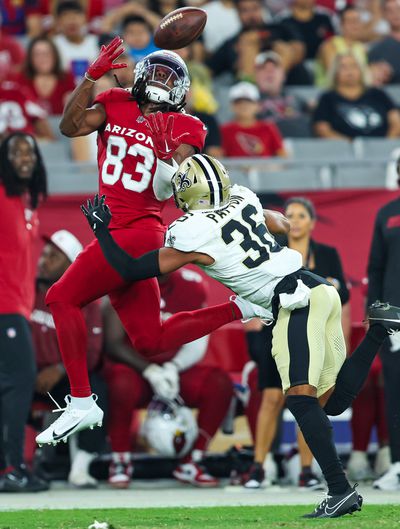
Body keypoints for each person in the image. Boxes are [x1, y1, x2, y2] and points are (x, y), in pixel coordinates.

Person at [84, 154, 400, 518]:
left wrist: (102, 233)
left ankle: (339, 490)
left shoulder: (191, 231)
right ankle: (377, 332)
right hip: (319, 290)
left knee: (299, 400)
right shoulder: (244, 198)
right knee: (328, 402)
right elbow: (280, 223)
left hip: (293, 303)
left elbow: (132, 269)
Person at [36, 38, 264, 447]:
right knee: (150, 339)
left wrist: (162, 152)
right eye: (154, 73)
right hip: (123, 227)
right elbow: (69, 127)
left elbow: (175, 189)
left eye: (168, 77)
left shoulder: (189, 126)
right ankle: (240, 306)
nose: (159, 83)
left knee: (60, 298)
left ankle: (83, 400)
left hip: (137, 228)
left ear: (180, 89)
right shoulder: (116, 100)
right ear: (141, 76)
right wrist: (89, 78)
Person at [103, 269, 232, 488]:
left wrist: (174, 367)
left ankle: (194, 459)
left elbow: (199, 336)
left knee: (218, 384)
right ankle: (120, 459)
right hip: (136, 369)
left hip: (175, 370)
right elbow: (113, 343)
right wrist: (149, 370)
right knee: (119, 383)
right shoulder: (124, 283)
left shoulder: (192, 285)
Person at [31, 230, 107, 488]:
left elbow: (93, 352)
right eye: (44, 254)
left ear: (71, 265)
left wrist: (60, 369)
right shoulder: (23, 290)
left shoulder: (88, 301)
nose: (44, 260)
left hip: (63, 379)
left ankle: (80, 468)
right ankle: (10, 465)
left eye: (54, 256)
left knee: (96, 389)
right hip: (23, 375)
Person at [0, 132, 48, 492]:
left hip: (17, 308)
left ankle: (11, 467)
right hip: (4, 310)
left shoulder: (28, 202)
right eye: (15, 152)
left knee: (14, 385)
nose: (23, 157)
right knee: (19, 383)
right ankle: (11, 468)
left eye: (29, 151)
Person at [243, 322, 324, 490]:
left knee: (305, 398)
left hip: (308, 329)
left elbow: (338, 297)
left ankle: (307, 470)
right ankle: (259, 467)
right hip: (275, 330)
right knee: (271, 399)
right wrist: (254, 336)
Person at [367, 157, 400, 491]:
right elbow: (375, 268)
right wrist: (375, 313)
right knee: (396, 391)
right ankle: (399, 464)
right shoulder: (387, 213)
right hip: (396, 321)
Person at [207, 0, 307, 84]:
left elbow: (299, 51)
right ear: (237, 13)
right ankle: (254, 87)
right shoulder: (232, 43)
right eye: (245, 10)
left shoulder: (281, 29)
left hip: (290, 86)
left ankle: (273, 84)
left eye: (255, 9)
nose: (251, 15)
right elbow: (208, 70)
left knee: (283, 48)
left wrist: (264, 41)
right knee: (247, 45)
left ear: (262, 9)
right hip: (248, 96)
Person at [313, 52, 400, 140]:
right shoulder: (327, 98)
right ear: (335, 72)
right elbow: (322, 129)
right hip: (342, 151)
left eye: (353, 66)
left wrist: (386, 144)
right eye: (343, 67)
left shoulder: (378, 94)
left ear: (361, 70)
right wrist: (350, 147)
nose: (349, 71)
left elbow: (396, 121)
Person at [221, 82, 287, 158]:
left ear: (258, 105)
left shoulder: (268, 127)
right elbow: (220, 157)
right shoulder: (224, 130)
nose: (244, 105)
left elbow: (282, 155)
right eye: (238, 102)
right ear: (232, 106)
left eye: (249, 102)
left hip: (266, 169)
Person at [254, 51, 311, 137]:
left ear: (283, 75)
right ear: (255, 75)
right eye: (263, 68)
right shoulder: (248, 100)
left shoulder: (296, 98)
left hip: (301, 144)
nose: (269, 72)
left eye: (274, 68)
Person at [16, 36, 76, 116]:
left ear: (55, 56)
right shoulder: (22, 79)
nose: (42, 58)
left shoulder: (67, 78)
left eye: (46, 53)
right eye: (37, 54)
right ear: (30, 58)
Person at [317, 6, 367, 86]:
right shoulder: (329, 46)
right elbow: (334, 76)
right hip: (330, 94)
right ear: (341, 25)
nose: (355, 25)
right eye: (351, 21)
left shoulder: (361, 47)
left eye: (357, 21)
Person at [52, 1, 99, 80]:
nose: (72, 20)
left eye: (76, 14)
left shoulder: (96, 42)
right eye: (66, 15)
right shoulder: (53, 45)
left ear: (85, 18)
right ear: (58, 21)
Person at [368, 0, 400, 84]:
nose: (395, 14)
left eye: (398, 9)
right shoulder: (377, 49)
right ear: (384, 14)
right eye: (390, 11)